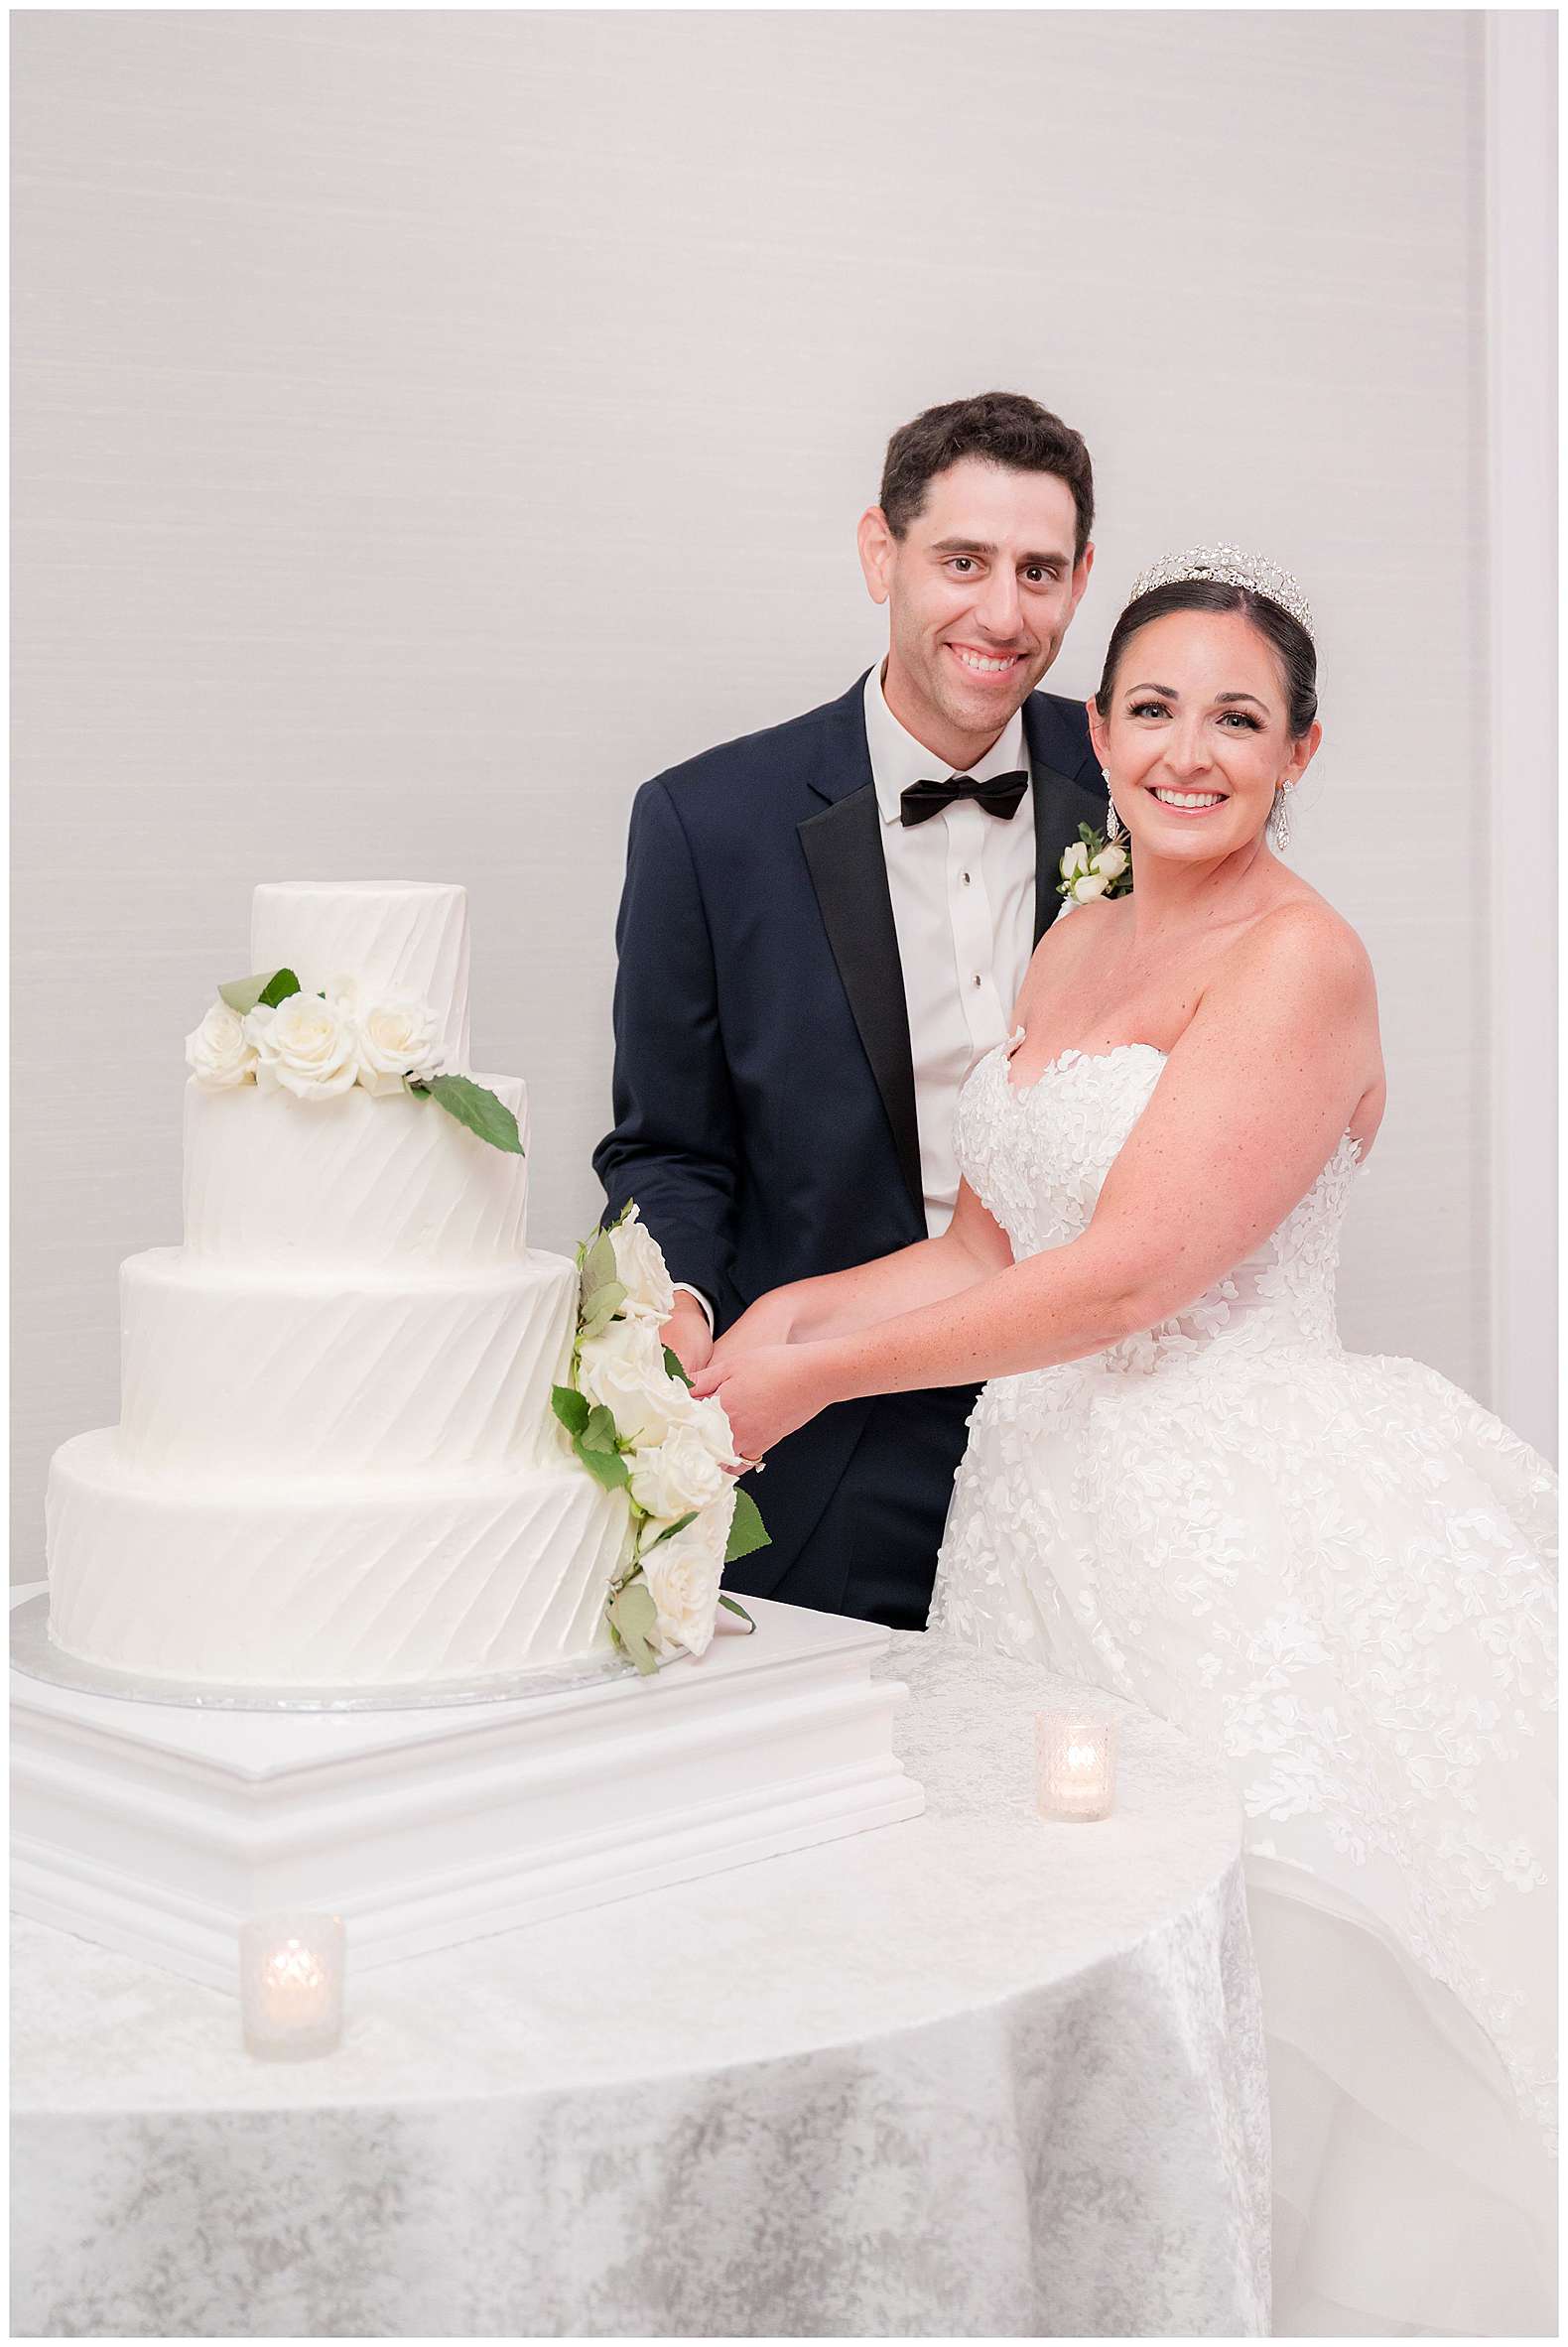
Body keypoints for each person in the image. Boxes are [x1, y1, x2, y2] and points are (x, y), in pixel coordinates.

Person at [693, 552, 1557, 2337]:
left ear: (1297, 749)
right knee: (1075, 1949)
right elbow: (988, 1248)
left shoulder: (1302, 961)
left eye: (1236, 719)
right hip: (1046, 1509)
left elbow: (1129, 1280)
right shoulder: (1082, 934)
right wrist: (786, 1325)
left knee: (1273, 1960)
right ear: (1099, 724)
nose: (1187, 750)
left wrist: (820, 1391)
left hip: (1242, 1515)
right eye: (1152, 708)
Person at [593, 391, 1107, 1630]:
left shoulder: (1143, 786)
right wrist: (672, 1312)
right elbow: (667, 1147)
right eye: (962, 562)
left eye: (1039, 571)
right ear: (880, 551)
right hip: (829, 1444)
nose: (1002, 612)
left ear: (1081, 580)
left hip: (1101, 1424)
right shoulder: (703, 823)